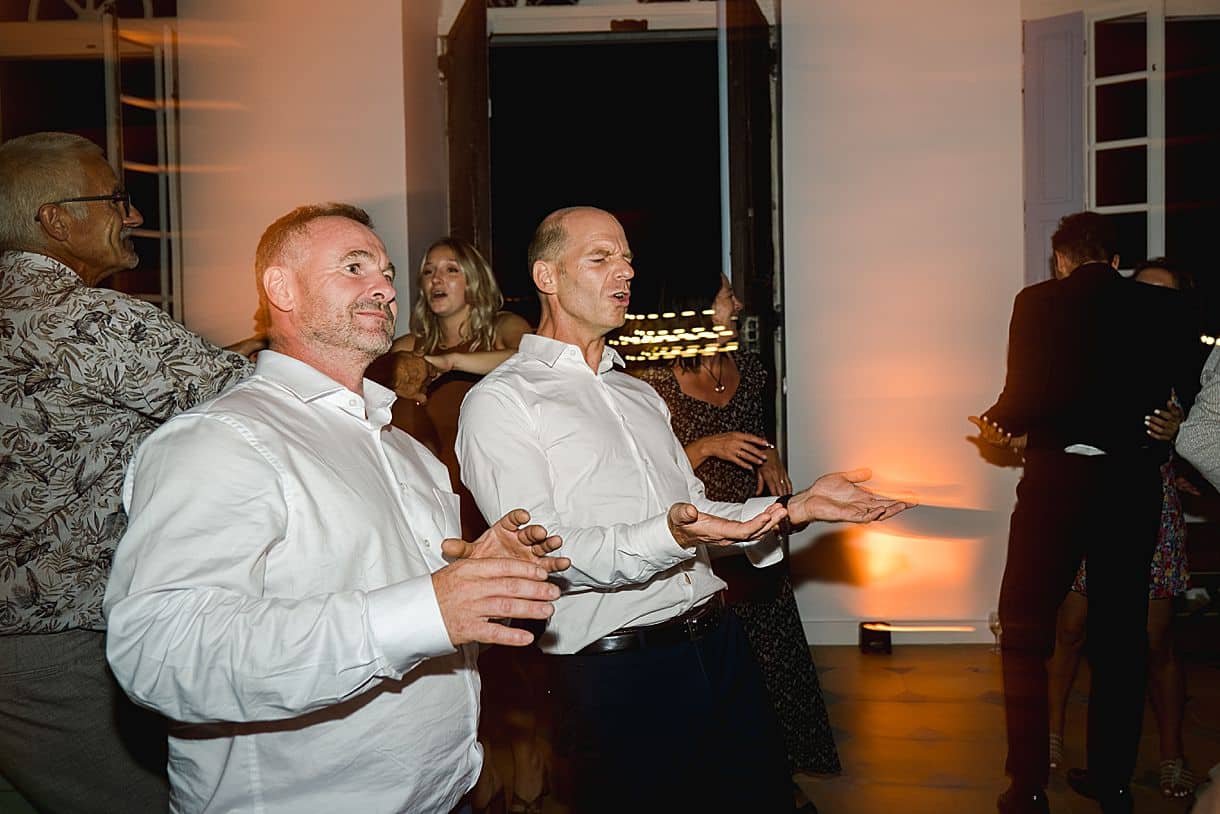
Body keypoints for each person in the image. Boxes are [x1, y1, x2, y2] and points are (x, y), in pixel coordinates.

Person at [102, 203, 569, 813]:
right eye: (353, 267)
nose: (384, 286)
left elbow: (393, 590)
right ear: (281, 287)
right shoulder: (220, 439)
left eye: (386, 272)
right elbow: (163, 654)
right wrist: (426, 608)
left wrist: (475, 572)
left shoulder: (408, 453)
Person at [455, 206, 913, 814]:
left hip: (719, 643)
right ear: (547, 276)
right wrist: (668, 532)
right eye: (601, 259)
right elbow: (551, 552)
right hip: (617, 672)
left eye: (627, 260)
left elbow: (696, 514)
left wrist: (795, 508)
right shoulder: (502, 402)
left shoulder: (638, 393)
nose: (624, 273)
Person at [0, 132, 256, 813]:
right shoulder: (87, 318)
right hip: (63, 645)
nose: (132, 215)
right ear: (57, 220)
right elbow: (257, 399)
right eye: (114, 198)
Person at [970, 213, 1200, 814]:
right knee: (1121, 640)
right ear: (1116, 260)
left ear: (1061, 260)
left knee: (1024, 632)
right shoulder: (1161, 308)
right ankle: (1114, 784)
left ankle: (1027, 786)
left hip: (1055, 486)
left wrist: (999, 423)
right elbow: (1187, 392)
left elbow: (1021, 395)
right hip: (1130, 485)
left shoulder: (1038, 302)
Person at [635, 268, 840, 813]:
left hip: (757, 528)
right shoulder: (652, 381)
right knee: (727, 660)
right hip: (702, 528)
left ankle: (781, 776)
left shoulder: (749, 368)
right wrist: (706, 446)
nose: (737, 303)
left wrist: (771, 456)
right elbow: (647, 473)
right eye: (726, 296)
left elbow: (760, 433)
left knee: (775, 657)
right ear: (696, 308)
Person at [368, 237, 544, 814]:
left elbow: (532, 358)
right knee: (453, 650)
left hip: (491, 510)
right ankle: (469, 779)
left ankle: (527, 785)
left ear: (473, 280)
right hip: (429, 515)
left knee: (512, 653)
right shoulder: (408, 346)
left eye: (451, 269)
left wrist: (449, 362)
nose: (436, 278)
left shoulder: (505, 331)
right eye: (427, 271)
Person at [1045, 259, 1199, 799]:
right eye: (1142, 295)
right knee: (1070, 628)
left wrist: (1181, 434)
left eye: (1164, 297)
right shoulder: (1104, 349)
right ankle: (1052, 736)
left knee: (1153, 643)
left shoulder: (1193, 363)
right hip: (1095, 506)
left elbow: (1207, 444)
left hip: (1154, 512)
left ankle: (1173, 754)